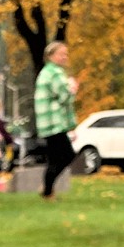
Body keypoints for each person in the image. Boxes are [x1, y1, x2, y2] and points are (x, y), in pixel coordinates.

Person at [33, 42, 78, 200]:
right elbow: (64, 97)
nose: (65, 57)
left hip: (46, 123)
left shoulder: (45, 72)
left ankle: (48, 190)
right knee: (67, 155)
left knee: (54, 158)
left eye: (66, 54)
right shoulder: (55, 73)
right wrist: (72, 88)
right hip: (55, 122)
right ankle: (47, 188)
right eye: (61, 54)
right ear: (51, 56)